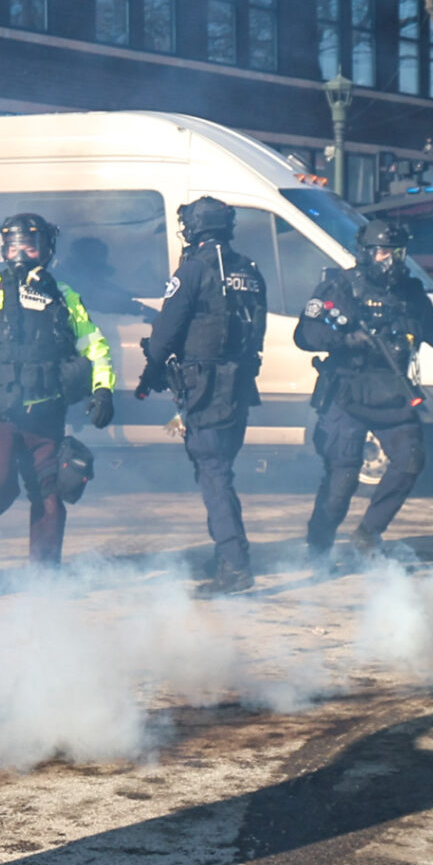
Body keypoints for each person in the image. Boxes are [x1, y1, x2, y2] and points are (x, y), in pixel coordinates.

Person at [0, 212, 115, 593]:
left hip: (45, 410)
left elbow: (93, 345)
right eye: (13, 247)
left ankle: (44, 578)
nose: (21, 254)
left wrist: (103, 389)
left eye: (30, 246)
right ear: (2, 250)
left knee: (49, 491)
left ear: (47, 251)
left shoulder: (63, 295)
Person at [296, 217, 433, 566]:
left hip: (392, 390)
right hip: (347, 392)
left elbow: (432, 324)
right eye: (382, 252)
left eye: (397, 253)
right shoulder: (340, 286)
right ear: (366, 252)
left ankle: (368, 533)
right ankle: (318, 550)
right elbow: (305, 334)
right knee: (342, 478)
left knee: (411, 459)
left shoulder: (409, 290)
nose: (390, 260)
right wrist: (346, 339)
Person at [137, 196, 267, 597]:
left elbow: (166, 331)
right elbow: (257, 331)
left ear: (194, 228)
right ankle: (227, 555)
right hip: (240, 386)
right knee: (221, 469)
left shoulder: (193, 270)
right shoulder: (250, 270)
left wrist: (150, 373)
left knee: (213, 473)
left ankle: (235, 566)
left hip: (205, 389)